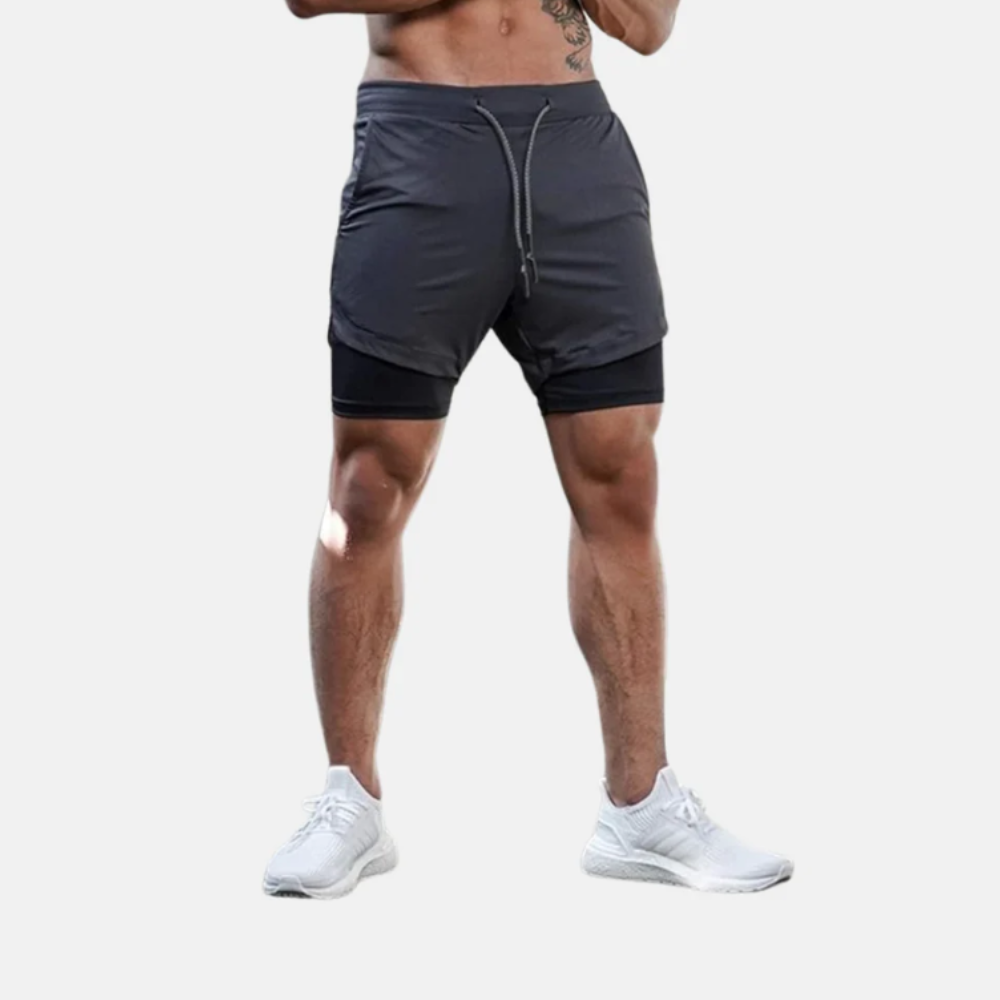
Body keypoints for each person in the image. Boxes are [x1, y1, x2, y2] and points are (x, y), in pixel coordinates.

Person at [263, 0, 792, 898]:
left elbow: (649, 26)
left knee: (620, 473)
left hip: (577, 154)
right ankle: (349, 799)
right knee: (367, 486)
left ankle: (640, 805)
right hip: (420, 142)